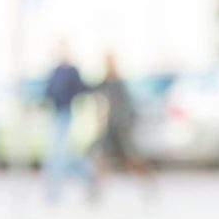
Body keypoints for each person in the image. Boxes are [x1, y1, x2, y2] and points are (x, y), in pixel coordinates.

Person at [42, 41, 97, 203]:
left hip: (66, 114)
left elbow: (82, 88)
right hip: (55, 114)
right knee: (62, 156)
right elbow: (49, 92)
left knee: (58, 156)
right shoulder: (55, 71)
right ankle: (88, 177)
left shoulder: (72, 71)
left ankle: (55, 193)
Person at [94, 53, 155, 192]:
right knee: (101, 158)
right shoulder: (105, 82)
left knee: (131, 158)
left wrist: (126, 123)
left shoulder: (118, 83)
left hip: (121, 128)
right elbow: (97, 96)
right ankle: (96, 189)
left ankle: (148, 183)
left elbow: (127, 106)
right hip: (109, 128)